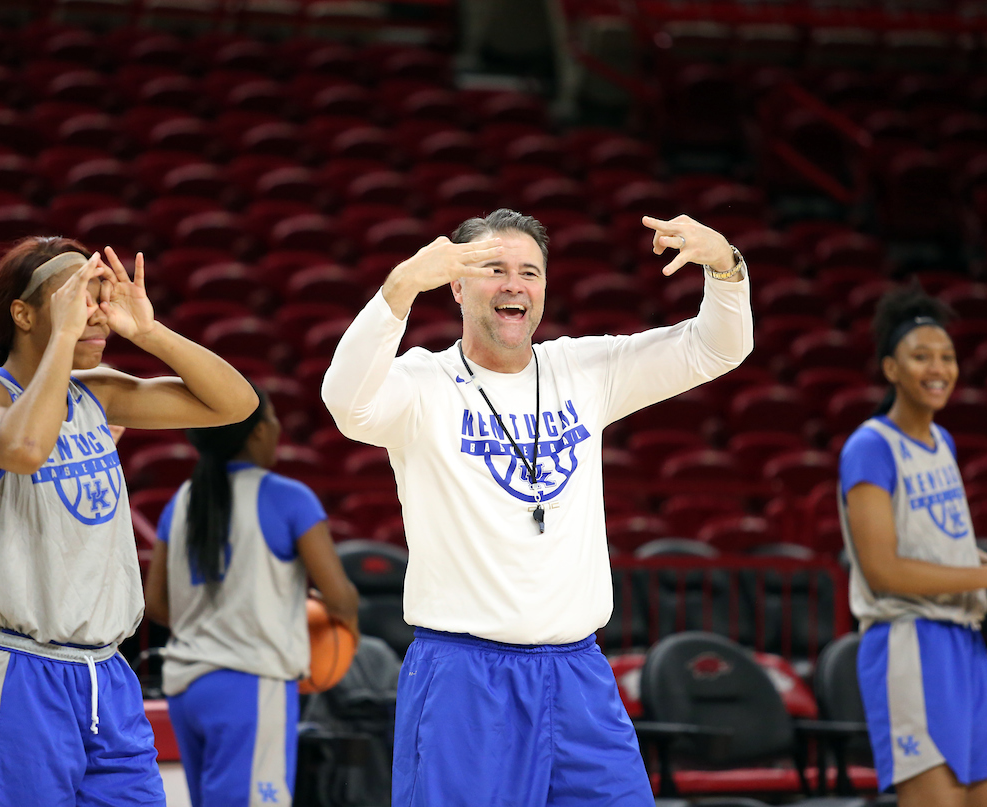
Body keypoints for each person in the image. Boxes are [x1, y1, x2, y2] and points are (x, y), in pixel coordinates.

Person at [321, 209, 751, 806]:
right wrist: (399, 289)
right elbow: (345, 403)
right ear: (456, 285)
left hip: (579, 673)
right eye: (492, 268)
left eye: (529, 271)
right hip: (465, 677)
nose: (513, 283)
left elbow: (715, 350)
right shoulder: (423, 383)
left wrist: (726, 265)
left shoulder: (583, 370)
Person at [0, 237, 258, 807]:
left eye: (101, 299)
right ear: (24, 313)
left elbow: (236, 404)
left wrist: (149, 332)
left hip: (104, 674)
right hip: (14, 672)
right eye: (80, 299)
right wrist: (64, 334)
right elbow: (27, 447)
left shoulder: (97, 394)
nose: (96, 315)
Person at [838, 286, 987, 807]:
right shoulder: (870, 446)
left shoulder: (944, 442)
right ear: (891, 369)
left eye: (946, 357)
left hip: (964, 645)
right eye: (921, 357)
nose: (938, 368)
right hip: (908, 645)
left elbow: (943, 548)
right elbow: (884, 570)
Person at [142, 387, 359, 807]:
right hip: (249, 683)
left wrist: (211, 625)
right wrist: (340, 630)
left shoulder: (181, 500)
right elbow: (340, 598)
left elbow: (156, 604)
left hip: (187, 688)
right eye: (273, 419)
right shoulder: (288, 497)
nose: (278, 429)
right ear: (258, 432)